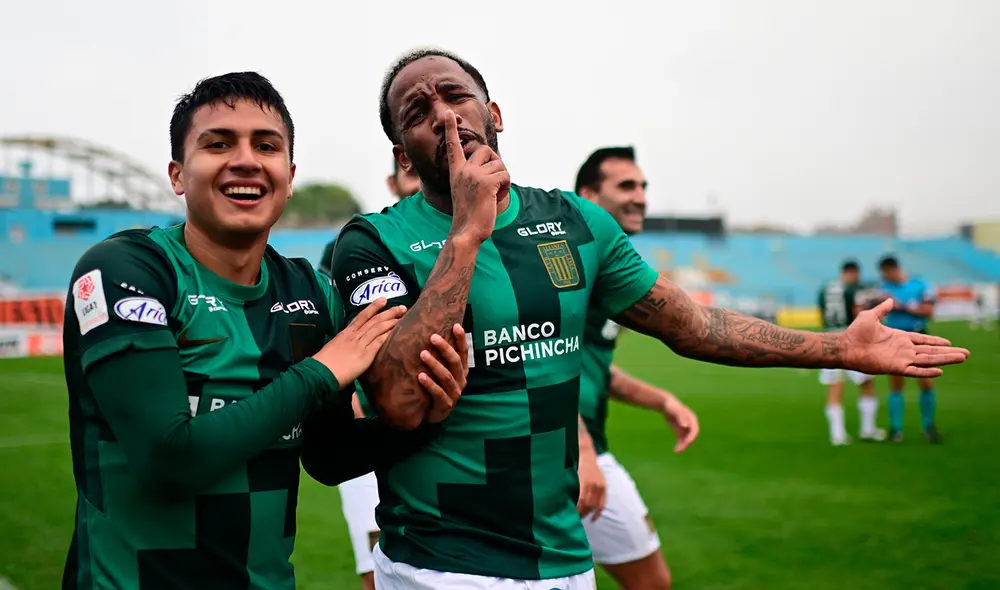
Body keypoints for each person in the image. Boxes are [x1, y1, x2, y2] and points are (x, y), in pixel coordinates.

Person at [328, 48, 969, 590]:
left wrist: (841, 348)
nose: (443, 115)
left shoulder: (578, 225)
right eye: (417, 112)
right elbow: (398, 398)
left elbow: (694, 326)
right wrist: (468, 233)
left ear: (492, 115)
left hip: (564, 561)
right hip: (438, 565)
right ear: (403, 156)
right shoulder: (371, 243)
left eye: (456, 96)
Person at [60, 71, 469, 590]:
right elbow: (168, 460)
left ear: (289, 174)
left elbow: (329, 455)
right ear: (178, 174)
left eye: (266, 145)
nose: (247, 159)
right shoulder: (128, 269)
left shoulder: (309, 292)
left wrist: (427, 416)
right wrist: (320, 372)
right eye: (218, 143)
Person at [572, 146, 698, 590]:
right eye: (626, 186)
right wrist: (582, 452)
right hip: (561, 452)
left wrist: (661, 400)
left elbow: (597, 369)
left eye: (644, 186)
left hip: (586, 450)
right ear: (588, 196)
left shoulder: (612, 268)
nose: (641, 196)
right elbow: (536, 364)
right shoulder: (565, 264)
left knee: (651, 581)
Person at [322, 161, 421, 590]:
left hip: (437, 429)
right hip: (371, 427)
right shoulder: (357, 247)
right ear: (394, 180)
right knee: (378, 572)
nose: (423, 184)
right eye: (414, 173)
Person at [817, 261, 886, 445]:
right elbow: (859, 313)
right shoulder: (854, 288)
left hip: (829, 339)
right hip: (851, 338)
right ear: (854, 272)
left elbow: (821, 313)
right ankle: (867, 429)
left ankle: (837, 434)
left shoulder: (825, 288)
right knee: (866, 382)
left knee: (835, 387)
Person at [878, 255, 942, 443]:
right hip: (895, 337)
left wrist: (902, 306)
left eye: (885, 273)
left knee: (926, 381)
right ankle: (896, 430)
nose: (884, 277)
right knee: (896, 383)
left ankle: (928, 426)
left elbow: (929, 312)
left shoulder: (919, 284)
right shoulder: (884, 290)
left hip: (919, 336)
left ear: (892, 269)